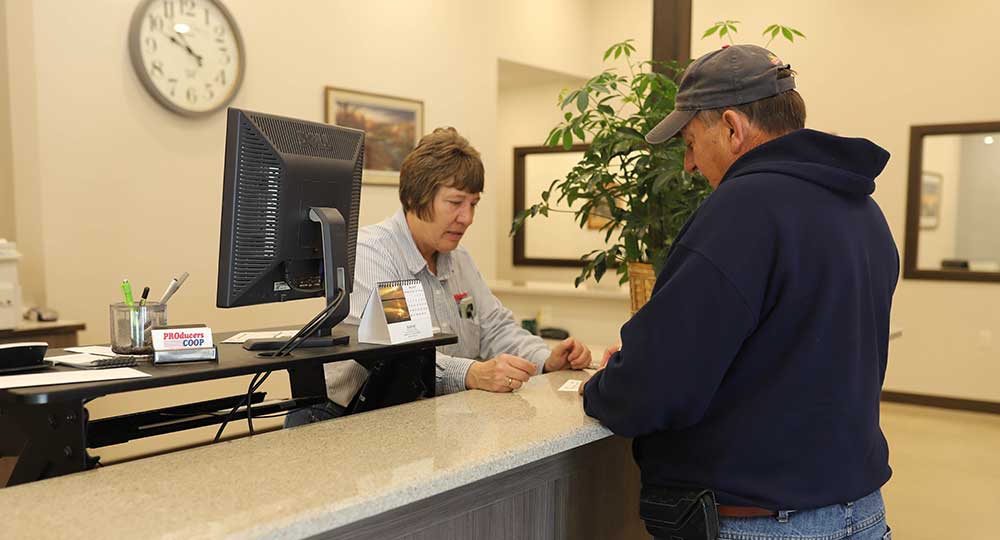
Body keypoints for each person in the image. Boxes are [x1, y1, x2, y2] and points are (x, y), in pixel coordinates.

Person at [581, 44, 897, 539]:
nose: (687, 164)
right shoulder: (863, 212)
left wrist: (606, 385)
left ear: (732, 127)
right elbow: (787, 352)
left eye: (689, 141)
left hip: (766, 523)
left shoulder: (744, 208)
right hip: (861, 513)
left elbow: (659, 385)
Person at [286, 127, 591, 426]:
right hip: (346, 421)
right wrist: (471, 374)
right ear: (417, 197)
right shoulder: (373, 254)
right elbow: (401, 354)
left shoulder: (460, 261)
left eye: (473, 204)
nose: (467, 218)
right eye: (456, 203)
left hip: (423, 418)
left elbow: (495, 329)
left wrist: (546, 360)